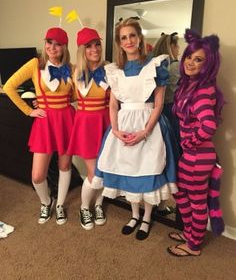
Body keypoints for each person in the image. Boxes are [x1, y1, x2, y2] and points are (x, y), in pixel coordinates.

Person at [92, 18, 177, 240]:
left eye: (132, 36)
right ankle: (134, 214)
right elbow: (113, 104)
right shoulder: (113, 70)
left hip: (148, 125)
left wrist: (145, 131)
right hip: (123, 125)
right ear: (119, 43)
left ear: (139, 38)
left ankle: (147, 217)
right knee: (128, 170)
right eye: (123, 37)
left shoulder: (156, 65)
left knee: (147, 170)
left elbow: (158, 104)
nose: (128, 41)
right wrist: (116, 130)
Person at [4, 27, 75, 225]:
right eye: (49, 42)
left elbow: (78, 95)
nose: (52, 47)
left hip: (66, 120)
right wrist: (29, 110)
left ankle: (60, 204)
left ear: (64, 47)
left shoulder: (72, 67)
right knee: (37, 176)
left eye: (57, 44)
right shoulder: (35, 64)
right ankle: (46, 201)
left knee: (65, 165)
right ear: (45, 44)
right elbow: (9, 86)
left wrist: (60, 100)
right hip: (44, 122)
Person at [167, 29, 225, 257]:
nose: (190, 62)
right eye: (189, 56)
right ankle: (190, 233)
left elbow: (208, 125)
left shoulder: (202, 90)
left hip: (197, 156)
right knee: (181, 194)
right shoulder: (189, 85)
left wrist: (189, 142)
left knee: (197, 201)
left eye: (198, 59)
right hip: (194, 155)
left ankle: (193, 246)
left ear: (207, 64)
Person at [67, 27, 110, 230]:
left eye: (97, 44)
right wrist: (38, 104)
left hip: (106, 123)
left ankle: (99, 204)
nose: (94, 49)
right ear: (82, 50)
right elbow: (60, 95)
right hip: (85, 126)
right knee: (95, 174)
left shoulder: (110, 69)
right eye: (89, 46)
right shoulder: (75, 72)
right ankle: (85, 208)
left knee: (106, 171)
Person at [152, 32, 181, 216]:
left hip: (157, 115)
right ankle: (166, 205)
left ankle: (159, 204)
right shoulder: (177, 66)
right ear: (171, 47)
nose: (179, 49)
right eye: (177, 45)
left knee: (160, 160)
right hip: (172, 114)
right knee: (174, 160)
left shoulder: (154, 66)